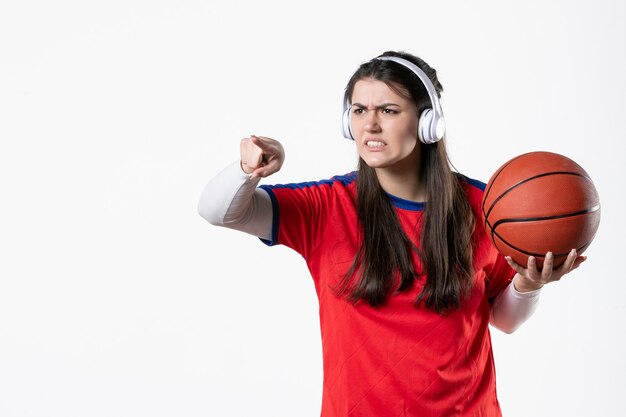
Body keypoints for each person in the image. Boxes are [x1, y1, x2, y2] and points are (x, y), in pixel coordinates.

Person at [197, 50, 586, 417]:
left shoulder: (487, 208)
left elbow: (503, 319)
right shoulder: (326, 206)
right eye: (359, 110)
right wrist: (250, 169)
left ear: (428, 122)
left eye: (388, 110)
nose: (370, 124)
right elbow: (217, 211)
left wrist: (530, 284)